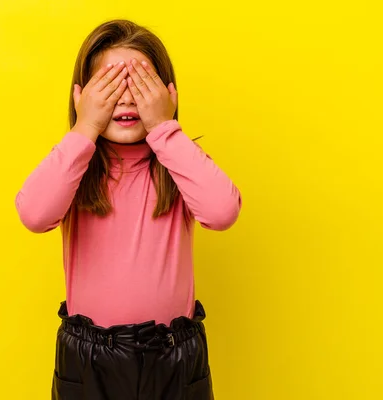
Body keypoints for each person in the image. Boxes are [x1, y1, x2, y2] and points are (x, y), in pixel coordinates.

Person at [15, 19, 242, 400]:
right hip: (89, 358)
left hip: (172, 354)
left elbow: (222, 212)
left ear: (167, 95)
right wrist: (84, 128)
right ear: (80, 96)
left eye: (139, 86)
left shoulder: (179, 161)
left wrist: (165, 128)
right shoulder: (74, 167)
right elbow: (34, 215)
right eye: (109, 86)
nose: (125, 99)